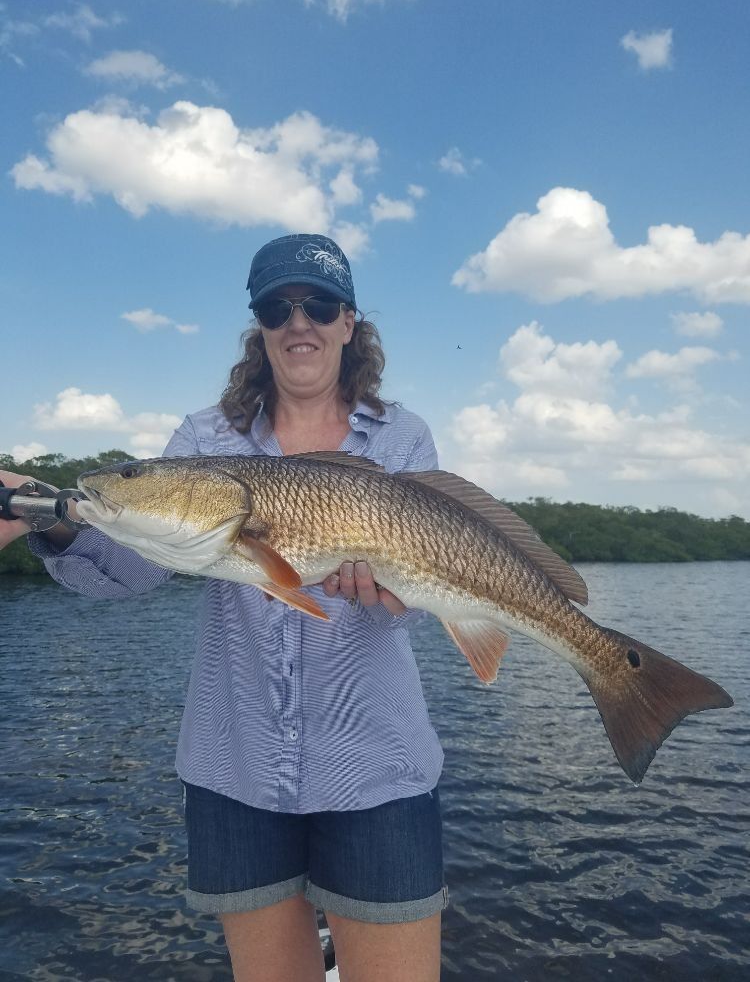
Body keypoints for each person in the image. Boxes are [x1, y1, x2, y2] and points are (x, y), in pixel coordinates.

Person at [0, 234, 446, 981]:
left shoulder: (403, 437)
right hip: (234, 769)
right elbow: (132, 570)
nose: (297, 322)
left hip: (377, 766)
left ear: (347, 323)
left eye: (319, 304)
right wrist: (53, 517)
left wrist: (390, 592)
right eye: (277, 307)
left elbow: (417, 599)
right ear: (260, 326)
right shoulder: (205, 438)